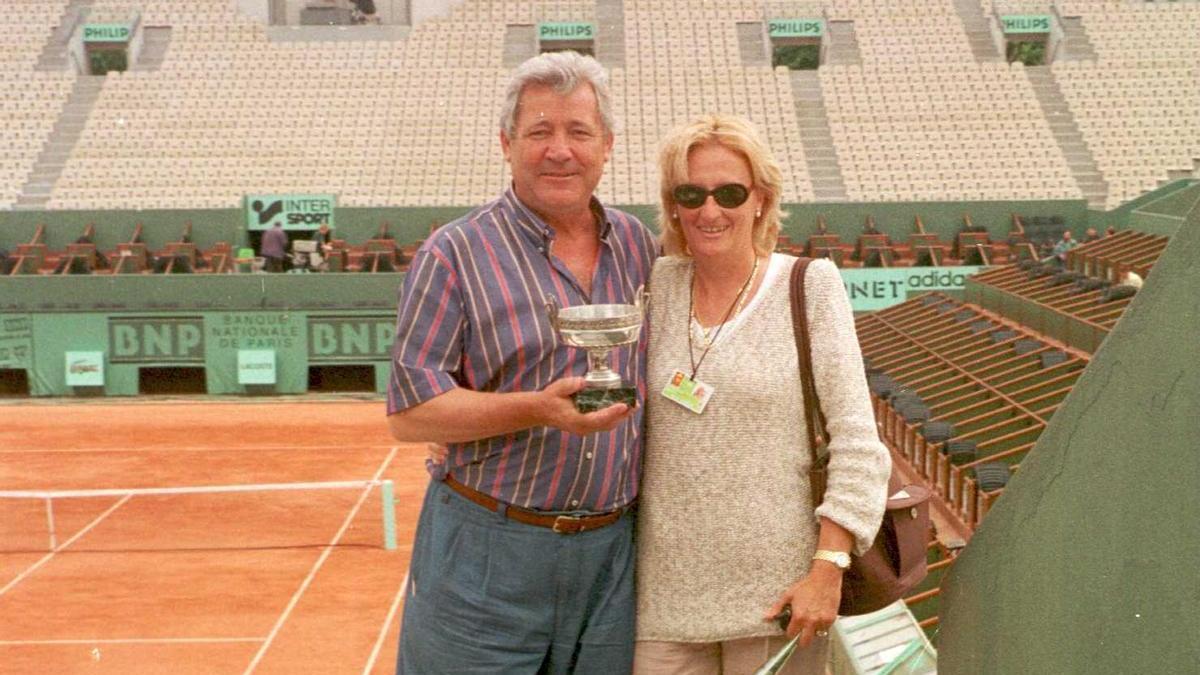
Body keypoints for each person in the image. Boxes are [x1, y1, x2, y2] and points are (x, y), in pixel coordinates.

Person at [387, 51, 657, 674]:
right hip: (486, 553)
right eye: (540, 131)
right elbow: (410, 414)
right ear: (507, 144)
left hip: (613, 558)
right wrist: (537, 409)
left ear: (607, 145)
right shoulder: (452, 253)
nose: (559, 150)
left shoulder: (641, 246)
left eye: (578, 132)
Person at [633, 115, 891, 674]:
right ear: (672, 204)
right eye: (691, 193)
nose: (709, 210)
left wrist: (828, 567)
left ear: (761, 200)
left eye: (729, 192)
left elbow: (856, 440)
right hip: (662, 601)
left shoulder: (809, 284)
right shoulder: (653, 288)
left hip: (782, 600)